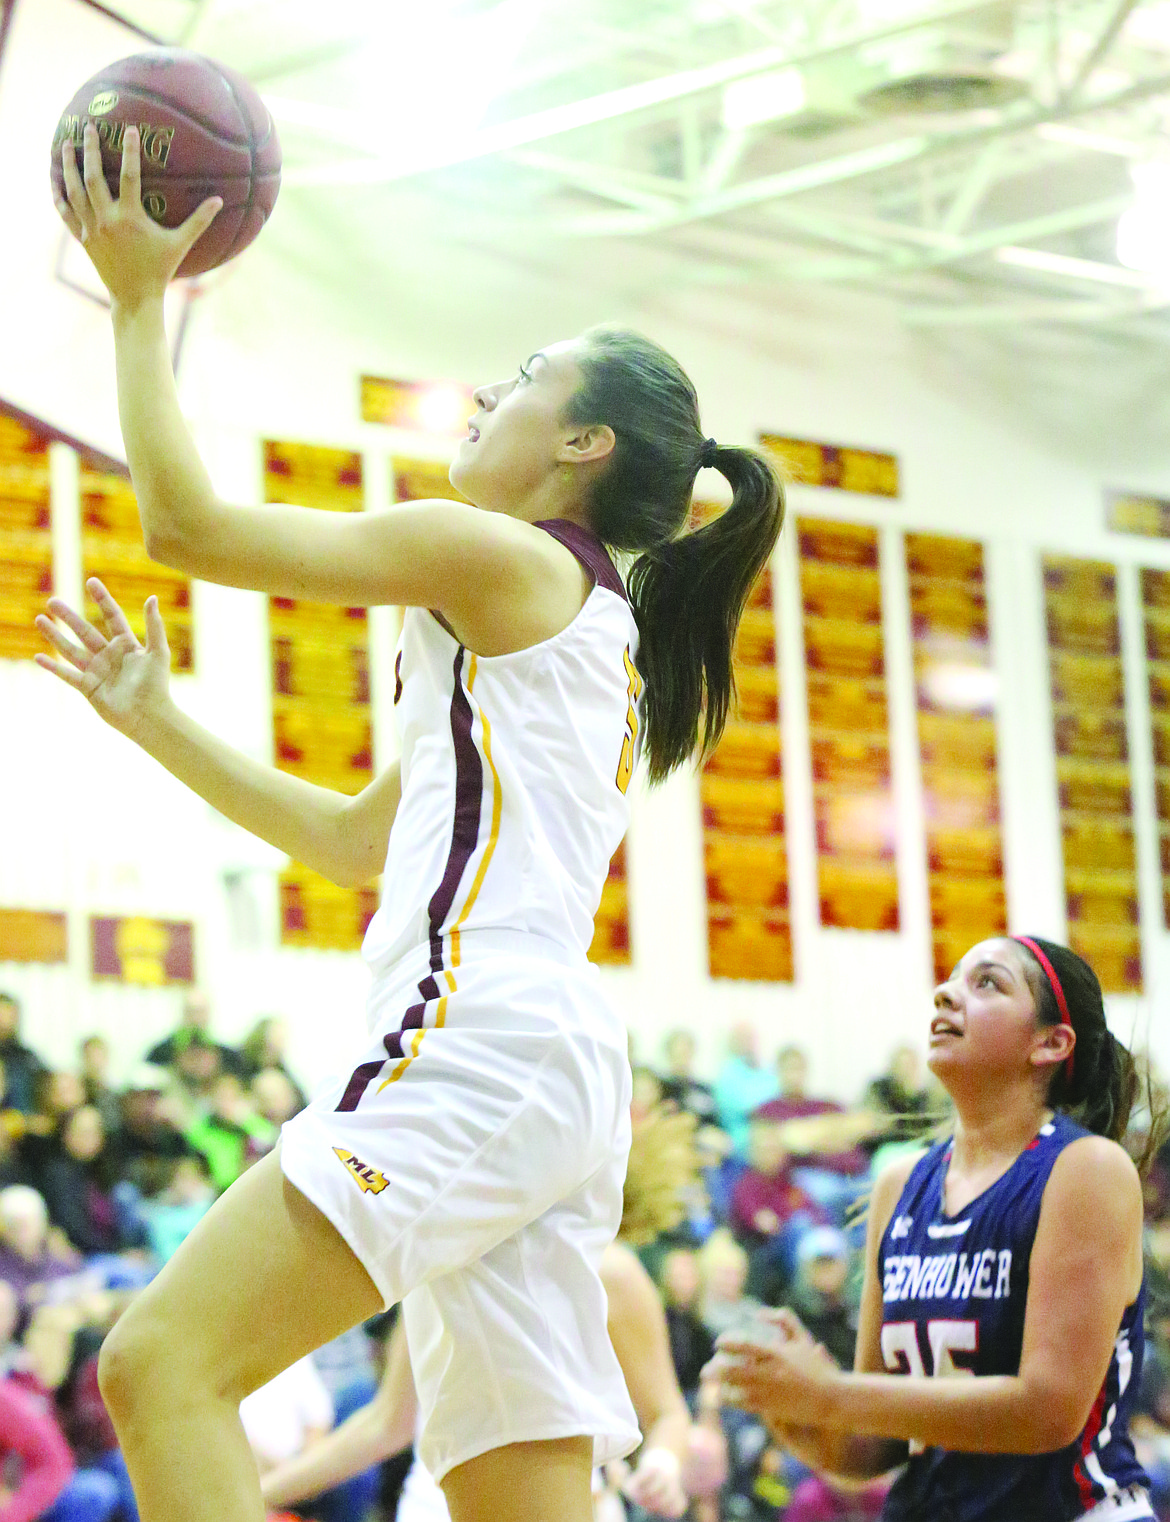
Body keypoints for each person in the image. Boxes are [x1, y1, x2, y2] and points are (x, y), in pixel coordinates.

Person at [44, 121, 783, 1522]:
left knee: (160, 1366)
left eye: (521, 380)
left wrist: (139, 305)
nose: (485, 395)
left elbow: (188, 526)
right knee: (512, 1499)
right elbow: (354, 846)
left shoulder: (496, 557)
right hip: (547, 1067)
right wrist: (158, 720)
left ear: (579, 441)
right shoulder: (571, 628)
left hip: (479, 1033)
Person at [713, 934, 1166, 1521]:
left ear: (1050, 1043)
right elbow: (875, 1446)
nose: (946, 994)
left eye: (987, 983)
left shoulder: (1086, 1170)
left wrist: (831, 1392)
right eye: (952, 979)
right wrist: (790, 1403)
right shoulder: (898, 1185)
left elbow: (1047, 1410)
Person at [258, 1102, 726, 1521]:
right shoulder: (440, 1247)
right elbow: (387, 1423)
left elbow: (667, 1413)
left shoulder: (611, 1271)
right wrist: (260, 1495)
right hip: (433, 1506)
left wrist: (662, 1464)